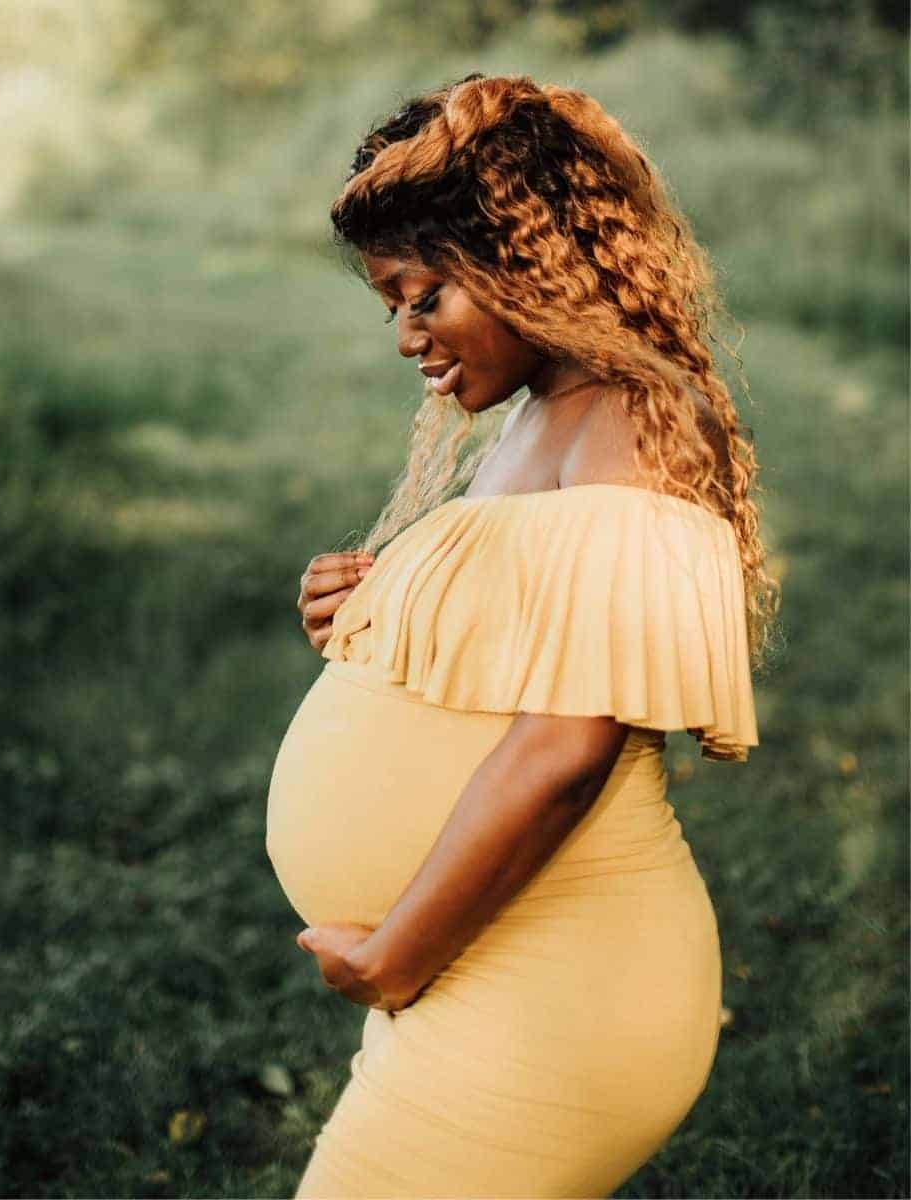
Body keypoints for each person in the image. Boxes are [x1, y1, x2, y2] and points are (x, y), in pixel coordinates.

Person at [264, 72, 783, 1198]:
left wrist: (396, 954)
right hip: (485, 962)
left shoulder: (633, 418)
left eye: (423, 296)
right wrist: (362, 613)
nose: (406, 337)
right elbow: (513, 651)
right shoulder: (543, 420)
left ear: (525, 260)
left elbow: (564, 749)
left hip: (554, 979)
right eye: (390, 305)